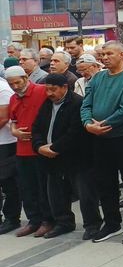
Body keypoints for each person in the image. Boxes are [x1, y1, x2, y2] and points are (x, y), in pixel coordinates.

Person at [79, 41, 123, 244]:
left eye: (109, 53)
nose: (104, 57)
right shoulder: (98, 77)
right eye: (103, 54)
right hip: (99, 139)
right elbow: (86, 103)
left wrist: (104, 123)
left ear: (122, 55)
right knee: (105, 183)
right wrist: (88, 124)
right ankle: (112, 223)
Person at [30, 74, 87, 238]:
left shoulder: (76, 102)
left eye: (53, 89)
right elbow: (37, 128)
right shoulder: (47, 103)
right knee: (55, 193)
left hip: (71, 156)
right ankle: (63, 222)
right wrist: (39, 147)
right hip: (48, 155)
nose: (49, 93)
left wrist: (55, 148)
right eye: (47, 89)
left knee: (83, 193)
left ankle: (92, 225)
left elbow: (75, 132)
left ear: (64, 87)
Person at [7, 66, 52, 237]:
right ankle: (34, 220)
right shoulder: (13, 98)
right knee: (27, 188)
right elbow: (14, 120)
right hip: (22, 149)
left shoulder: (42, 91)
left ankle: (47, 220)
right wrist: (14, 131)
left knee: (43, 187)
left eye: (17, 82)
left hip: (40, 148)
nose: (15, 87)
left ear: (25, 78)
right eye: (11, 84)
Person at [0, 74, 19, 235]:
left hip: (5, 143)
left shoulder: (3, 89)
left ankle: (12, 218)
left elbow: (3, 118)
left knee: (8, 182)